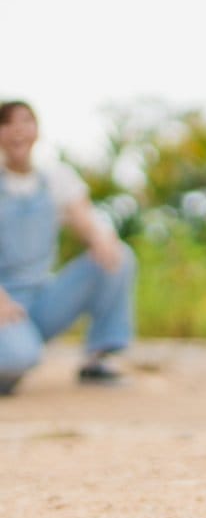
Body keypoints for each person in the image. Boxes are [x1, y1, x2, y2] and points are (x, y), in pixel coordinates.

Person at [0, 100, 136, 395]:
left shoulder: (55, 178)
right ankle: (14, 358)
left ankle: (98, 358)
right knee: (17, 358)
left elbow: (85, 219)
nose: (17, 130)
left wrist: (101, 237)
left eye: (25, 121)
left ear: (37, 131)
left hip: (43, 300)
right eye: (7, 123)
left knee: (119, 256)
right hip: (5, 299)